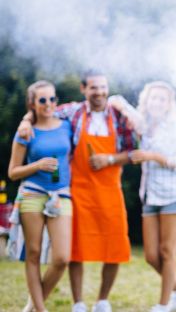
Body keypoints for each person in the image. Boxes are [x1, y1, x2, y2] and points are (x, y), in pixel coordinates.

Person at [18, 71, 137, 312]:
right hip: (78, 189)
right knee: (77, 248)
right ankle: (78, 302)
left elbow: (133, 152)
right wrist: (25, 121)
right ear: (84, 89)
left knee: (114, 245)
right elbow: (42, 110)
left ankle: (102, 300)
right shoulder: (72, 112)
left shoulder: (118, 116)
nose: (100, 92)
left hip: (110, 190)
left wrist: (110, 159)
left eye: (103, 87)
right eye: (94, 87)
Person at [127, 81, 176, 312]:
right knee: (150, 256)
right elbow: (117, 101)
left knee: (167, 251)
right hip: (150, 196)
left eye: (162, 99)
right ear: (146, 101)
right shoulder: (144, 127)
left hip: (175, 196)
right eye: (152, 98)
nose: (156, 102)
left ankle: (164, 305)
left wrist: (154, 156)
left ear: (169, 105)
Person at [8, 81, 73, 312]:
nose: (48, 104)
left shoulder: (67, 126)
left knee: (62, 258)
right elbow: (13, 172)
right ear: (33, 104)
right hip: (32, 195)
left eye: (52, 99)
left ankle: (32, 306)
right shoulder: (26, 131)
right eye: (42, 100)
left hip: (61, 196)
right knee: (33, 254)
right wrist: (37, 165)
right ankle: (40, 309)